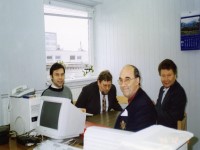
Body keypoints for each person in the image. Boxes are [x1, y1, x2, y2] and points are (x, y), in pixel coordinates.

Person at [114, 65, 156, 132]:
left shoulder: (143, 106)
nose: (123, 84)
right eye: (121, 80)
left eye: (127, 80)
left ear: (137, 81)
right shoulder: (137, 99)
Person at [155, 59, 187, 129]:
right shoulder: (161, 89)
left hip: (171, 134)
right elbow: (158, 108)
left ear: (175, 75)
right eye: (163, 76)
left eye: (169, 75)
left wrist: (153, 108)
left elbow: (172, 120)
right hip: (161, 129)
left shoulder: (179, 92)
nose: (166, 79)